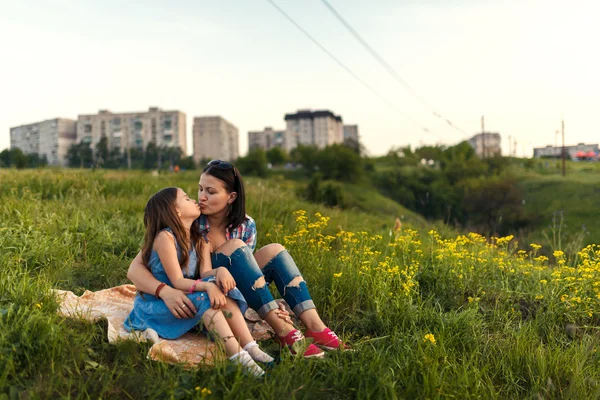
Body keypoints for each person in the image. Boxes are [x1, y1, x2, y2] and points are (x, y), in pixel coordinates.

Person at [128, 160, 347, 358]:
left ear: (231, 197)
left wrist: (267, 299)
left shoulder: (245, 225)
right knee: (236, 247)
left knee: (274, 249)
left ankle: (315, 327)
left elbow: (248, 276)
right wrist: (166, 292)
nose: (201, 197)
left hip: (234, 288)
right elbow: (135, 269)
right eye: (200, 189)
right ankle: (284, 331)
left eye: (211, 192)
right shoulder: (188, 221)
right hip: (205, 294)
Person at [124, 187, 273, 376]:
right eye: (186, 198)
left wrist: (220, 271)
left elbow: (205, 273)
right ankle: (240, 358)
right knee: (207, 301)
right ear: (176, 211)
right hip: (159, 302)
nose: (194, 199)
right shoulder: (165, 238)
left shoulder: (200, 239)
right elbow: (177, 281)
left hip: (186, 295)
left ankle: (251, 347)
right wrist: (208, 286)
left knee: (221, 292)